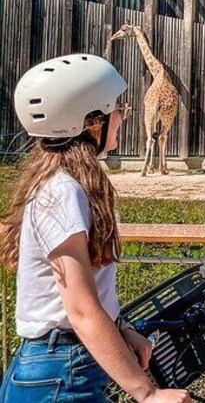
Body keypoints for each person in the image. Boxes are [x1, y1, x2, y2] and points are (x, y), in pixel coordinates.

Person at [0, 54, 189, 402]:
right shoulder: (62, 192)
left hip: (63, 365)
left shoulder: (64, 184)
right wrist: (147, 394)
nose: (121, 117)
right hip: (62, 372)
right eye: (116, 110)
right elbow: (81, 308)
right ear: (92, 122)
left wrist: (121, 329)